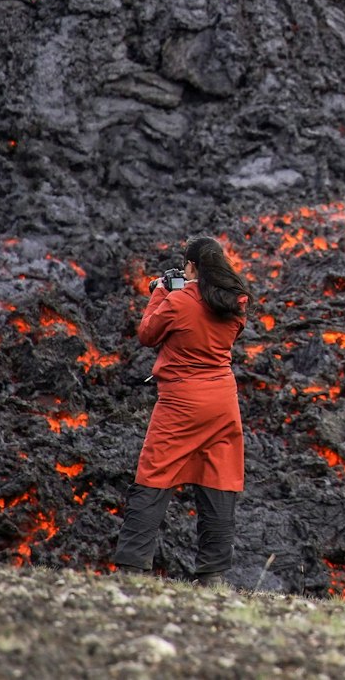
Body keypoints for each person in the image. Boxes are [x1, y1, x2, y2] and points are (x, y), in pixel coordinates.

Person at [112, 235, 248, 582]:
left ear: (190, 267)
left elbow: (147, 334)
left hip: (181, 403)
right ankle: (212, 576)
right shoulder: (234, 302)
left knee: (155, 474)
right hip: (222, 403)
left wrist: (161, 291)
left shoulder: (178, 301)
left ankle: (133, 566)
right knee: (219, 479)